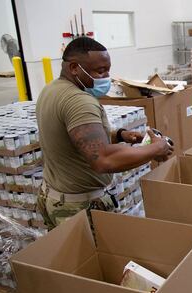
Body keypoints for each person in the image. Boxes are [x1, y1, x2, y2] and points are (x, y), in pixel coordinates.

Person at [36, 37, 173, 230]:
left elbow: (76, 136)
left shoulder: (51, 90)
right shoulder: (79, 102)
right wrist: (156, 148)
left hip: (54, 196)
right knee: (93, 259)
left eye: (108, 70)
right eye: (100, 71)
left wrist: (120, 135)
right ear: (74, 67)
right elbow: (103, 160)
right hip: (78, 209)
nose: (106, 77)